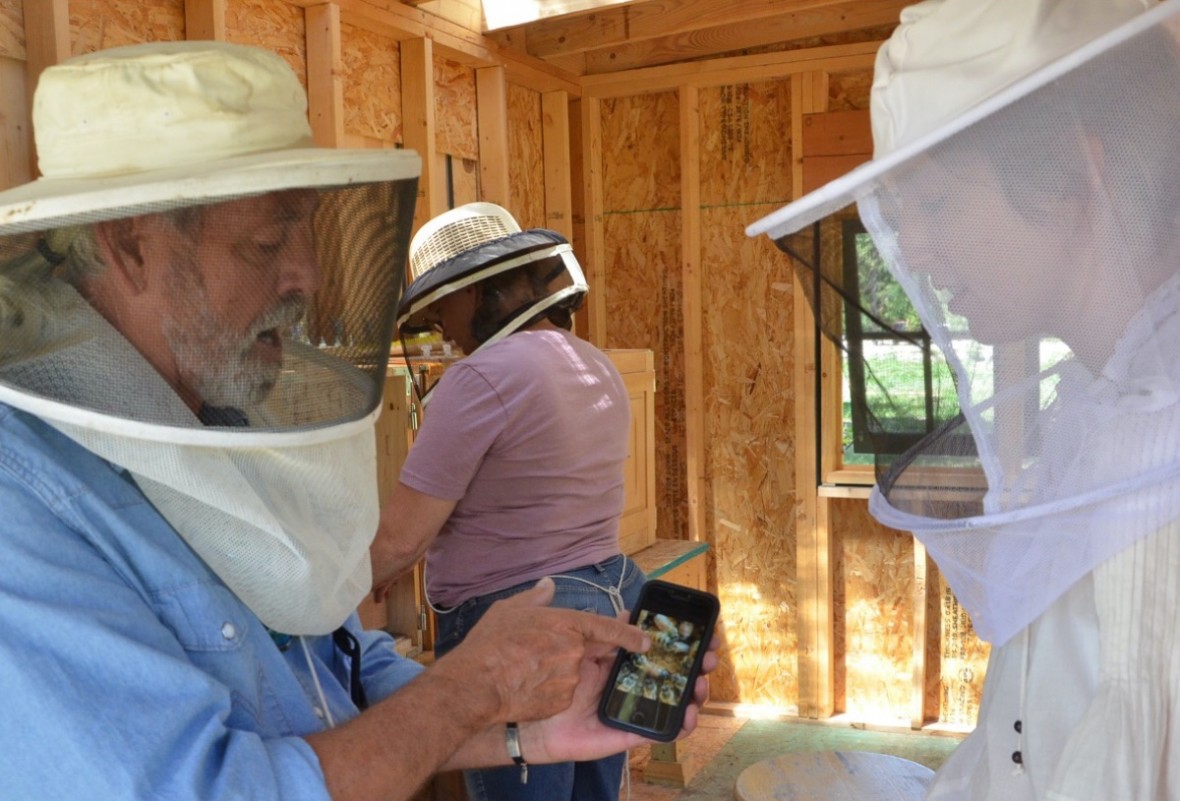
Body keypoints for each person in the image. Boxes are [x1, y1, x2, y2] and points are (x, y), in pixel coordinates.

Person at [0, 41, 716, 801]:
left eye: (306, 233)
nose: (306, 276)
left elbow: (334, 664)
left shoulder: (224, 424)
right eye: (267, 240)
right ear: (131, 244)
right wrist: (471, 690)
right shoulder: (23, 500)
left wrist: (524, 728)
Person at [748, 0, 1180, 798]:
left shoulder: (1153, 439)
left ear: (1077, 176)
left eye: (936, 202)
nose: (909, 246)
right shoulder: (1099, 403)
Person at [369, 201, 646, 801]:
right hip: (611, 601)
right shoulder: (593, 362)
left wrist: (331, 602)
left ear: (479, 293)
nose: (441, 326)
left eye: (442, 306)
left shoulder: (479, 377)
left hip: (518, 622)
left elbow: (400, 539)